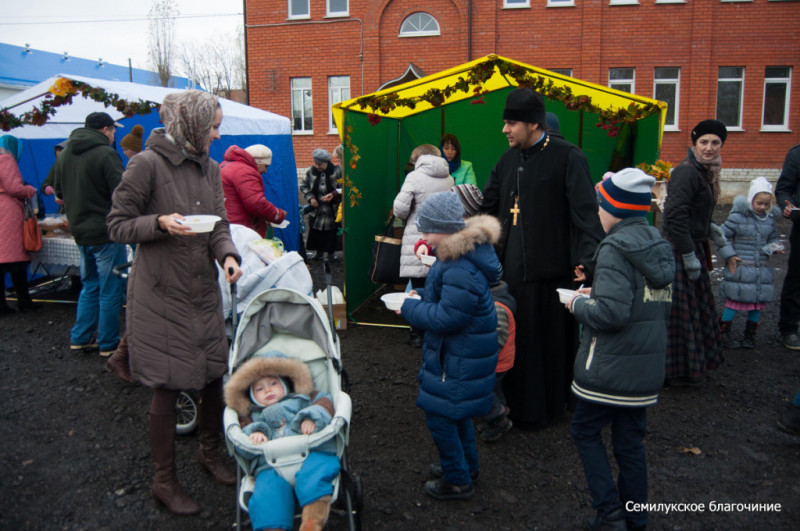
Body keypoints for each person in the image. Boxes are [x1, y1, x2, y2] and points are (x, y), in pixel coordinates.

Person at [107, 90, 242, 515]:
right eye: (213, 127)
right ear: (191, 126)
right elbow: (117, 225)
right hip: (161, 294)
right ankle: (164, 482)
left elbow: (218, 224)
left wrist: (228, 255)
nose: (218, 136)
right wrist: (159, 223)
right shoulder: (146, 164)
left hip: (202, 289)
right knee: (166, 385)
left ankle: (210, 453)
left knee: (212, 375)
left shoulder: (211, 167)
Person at [481, 87, 604, 429]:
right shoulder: (507, 160)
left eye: (511, 123)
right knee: (515, 344)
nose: (505, 130)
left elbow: (586, 216)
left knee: (546, 345)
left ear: (533, 124)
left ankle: (548, 409)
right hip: (511, 275)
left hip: (551, 276)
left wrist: (587, 260)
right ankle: (515, 409)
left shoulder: (568, 157)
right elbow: (487, 209)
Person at [565, 168, 675, 531]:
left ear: (615, 208)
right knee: (630, 445)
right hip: (644, 371)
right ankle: (635, 517)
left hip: (610, 369)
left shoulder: (613, 248)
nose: (597, 211)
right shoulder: (657, 244)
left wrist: (578, 305)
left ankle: (610, 514)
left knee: (584, 430)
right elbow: (641, 304)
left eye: (601, 205)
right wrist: (595, 293)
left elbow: (611, 315)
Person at [397, 191, 499, 500]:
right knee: (457, 414)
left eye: (427, 229)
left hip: (457, 358)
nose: (424, 236)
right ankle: (466, 466)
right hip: (460, 355)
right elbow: (449, 304)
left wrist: (409, 309)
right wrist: (422, 298)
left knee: (440, 416)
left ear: (445, 228)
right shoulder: (458, 258)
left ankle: (457, 480)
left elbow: (449, 318)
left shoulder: (458, 266)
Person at [224, 350, 339, 531]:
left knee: (317, 473)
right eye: (259, 389)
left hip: (310, 453)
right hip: (270, 466)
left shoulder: (303, 399)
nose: (267, 390)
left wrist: (310, 417)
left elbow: (326, 402)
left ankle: (311, 524)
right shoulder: (251, 416)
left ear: (285, 383)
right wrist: (253, 434)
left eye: (273, 383)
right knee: (267, 496)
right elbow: (242, 442)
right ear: (252, 396)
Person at [54, 112, 128, 357]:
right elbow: (122, 192)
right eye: (114, 131)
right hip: (106, 231)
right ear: (106, 130)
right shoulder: (106, 154)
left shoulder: (64, 153)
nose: (114, 135)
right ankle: (108, 343)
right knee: (110, 288)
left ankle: (81, 337)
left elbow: (58, 191)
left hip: (80, 230)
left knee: (90, 285)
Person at [661, 119, 727, 385]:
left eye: (715, 143)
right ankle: (675, 371)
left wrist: (709, 227)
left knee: (693, 311)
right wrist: (688, 254)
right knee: (680, 314)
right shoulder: (687, 172)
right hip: (680, 249)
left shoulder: (704, 170)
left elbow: (693, 211)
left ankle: (690, 365)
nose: (708, 148)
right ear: (694, 143)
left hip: (692, 245)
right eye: (703, 142)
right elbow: (675, 215)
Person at [393, 144, 454, 347]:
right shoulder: (449, 177)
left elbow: (400, 210)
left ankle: (417, 333)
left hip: (418, 236)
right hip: (443, 238)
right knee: (439, 284)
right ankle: (436, 329)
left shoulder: (414, 177)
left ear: (417, 159)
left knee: (418, 286)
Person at [716, 177, 783, 349]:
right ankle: (724, 333)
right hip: (740, 268)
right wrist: (730, 255)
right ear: (751, 200)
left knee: (756, 303)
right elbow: (721, 235)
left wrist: (773, 248)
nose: (762, 207)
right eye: (759, 203)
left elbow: (773, 238)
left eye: (766, 204)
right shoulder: (738, 217)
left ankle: (749, 335)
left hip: (760, 269)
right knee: (734, 301)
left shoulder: (768, 220)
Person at [0, 134, 40, 313]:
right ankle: (24, 300)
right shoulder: (6, 158)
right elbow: (14, 188)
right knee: (16, 260)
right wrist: (30, 190)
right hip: (7, 212)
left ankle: (2, 305)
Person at [220, 144, 287, 237]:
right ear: (258, 162)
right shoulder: (245, 172)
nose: (265, 171)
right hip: (241, 230)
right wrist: (278, 214)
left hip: (228, 224)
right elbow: (256, 204)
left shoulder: (226, 166)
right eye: (266, 166)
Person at [775, 143, 800, 349]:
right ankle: (789, 327)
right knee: (797, 278)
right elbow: (784, 189)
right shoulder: (796, 154)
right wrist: (787, 204)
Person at [300, 149, 342, 261]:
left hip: (332, 208)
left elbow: (344, 187)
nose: (317, 166)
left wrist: (334, 195)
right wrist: (311, 198)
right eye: (316, 163)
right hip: (317, 208)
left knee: (332, 231)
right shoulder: (311, 172)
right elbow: (303, 186)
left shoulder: (337, 171)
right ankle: (318, 252)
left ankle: (331, 253)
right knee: (316, 230)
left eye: (320, 164)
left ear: (327, 162)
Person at [41, 141, 66, 213]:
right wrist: (51, 190)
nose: (60, 160)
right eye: (58, 158)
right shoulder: (57, 166)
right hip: (66, 209)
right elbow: (45, 185)